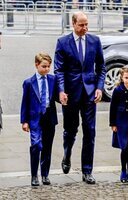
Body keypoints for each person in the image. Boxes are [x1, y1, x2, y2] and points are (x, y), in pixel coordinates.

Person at [54, 11, 106, 184]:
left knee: (90, 131)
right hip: (70, 94)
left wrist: (99, 88)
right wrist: (61, 90)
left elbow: (101, 67)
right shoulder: (63, 42)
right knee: (71, 130)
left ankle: (87, 171)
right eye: (81, 25)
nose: (85, 28)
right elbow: (59, 70)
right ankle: (67, 154)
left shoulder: (94, 41)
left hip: (90, 94)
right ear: (73, 24)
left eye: (86, 24)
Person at [20, 53, 58, 186]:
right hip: (35, 118)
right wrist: (24, 121)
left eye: (48, 67)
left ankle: (45, 175)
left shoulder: (53, 80)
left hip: (49, 116)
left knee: (47, 147)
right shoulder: (29, 83)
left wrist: (63, 97)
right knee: (36, 145)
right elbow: (25, 103)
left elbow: (57, 96)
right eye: (44, 66)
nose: (47, 69)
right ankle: (34, 175)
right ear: (36, 65)